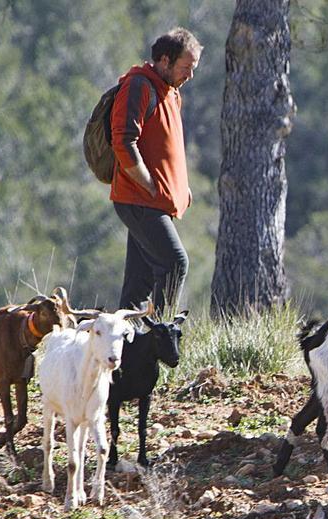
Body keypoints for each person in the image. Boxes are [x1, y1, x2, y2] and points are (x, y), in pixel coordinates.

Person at [110, 27, 202, 312]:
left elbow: (164, 144)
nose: (189, 76)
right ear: (164, 60)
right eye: (186, 68)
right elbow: (123, 141)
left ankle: (131, 351)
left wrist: (179, 189)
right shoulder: (138, 86)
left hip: (156, 203)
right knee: (175, 264)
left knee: (138, 285)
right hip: (139, 200)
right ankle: (160, 338)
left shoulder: (171, 92)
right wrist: (149, 185)